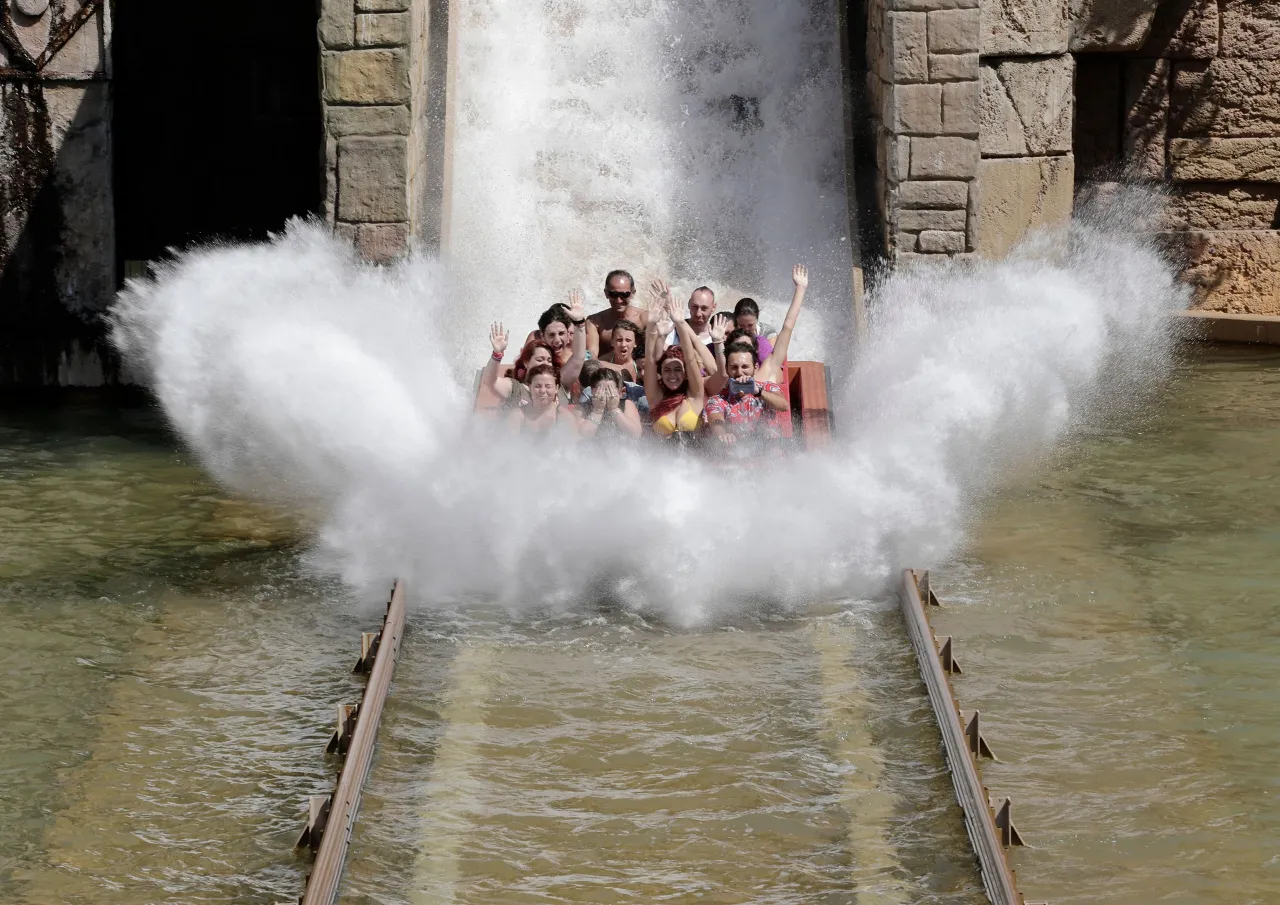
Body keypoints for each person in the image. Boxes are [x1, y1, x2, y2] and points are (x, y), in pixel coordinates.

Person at [644, 280, 707, 443]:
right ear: (661, 374)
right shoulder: (656, 398)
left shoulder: (695, 397)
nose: (672, 375)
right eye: (667, 370)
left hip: (694, 464)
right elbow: (650, 361)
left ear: (685, 373)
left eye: (678, 369)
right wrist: (651, 326)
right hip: (663, 466)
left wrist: (680, 323)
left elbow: (690, 358)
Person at [703, 340, 789, 448]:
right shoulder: (718, 399)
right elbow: (715, 419)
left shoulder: (767, 388)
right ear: (727, 369)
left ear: (755, 368)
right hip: (736, 454)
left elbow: (784, 406)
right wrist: (723, 434)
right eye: (734, 367)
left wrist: (758, 392)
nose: (739, 372)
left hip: (769, 454)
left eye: (745, 367)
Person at [480, 328, 571, 409]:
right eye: (540, 360)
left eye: (549, 360)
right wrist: (497, 354)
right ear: (526, 362)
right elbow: (490, 381)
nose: (545, 364)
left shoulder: (559, 388)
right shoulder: (515, 389)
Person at [586, 270, 649, 360]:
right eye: (613, 294)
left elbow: (654, 353)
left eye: (624, 295)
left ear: (633, 293)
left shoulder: (644, 318)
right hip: (607, 371)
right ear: (606, 293)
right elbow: (592, 354)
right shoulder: (595, 322)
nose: (619, 300)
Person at [507, 364, 577, 437]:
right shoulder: (518, 416)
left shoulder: (564, 417)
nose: (542, 390)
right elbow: (507, 446)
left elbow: (574, 446)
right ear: (530, 387)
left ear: (556, 388)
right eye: (538, 386)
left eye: (548, 386)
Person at [576, 366, 642, 440]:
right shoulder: (583, 408)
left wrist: (614, 409)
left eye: (610, 390)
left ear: (618, 391)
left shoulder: (627, 404)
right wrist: (597, 411)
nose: (607, 395)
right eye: (602, 390)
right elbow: (583, 435)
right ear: (593, 391)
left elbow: (635, 434)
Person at [598, 318, 642, 383]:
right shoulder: (602, 362)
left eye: (628, 340)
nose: (623, 344)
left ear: (635, 343)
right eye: (619, 340)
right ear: (612, 342)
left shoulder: (640, 365)